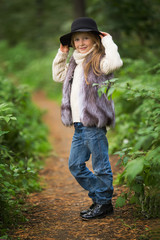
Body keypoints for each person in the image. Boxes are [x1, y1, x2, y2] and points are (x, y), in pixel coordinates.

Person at [52, 17, 123, 220]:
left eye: (86, 38)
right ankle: (101, 197)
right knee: (75, 165)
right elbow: (58, 76)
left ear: (95, 40)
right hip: (78, 125)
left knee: (100, 166)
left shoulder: (99, 60)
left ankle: (103, 202)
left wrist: (108, 41)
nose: (81, 43)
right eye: (76, 39)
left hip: (93, 122)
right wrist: (62, 53)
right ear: (72, 43)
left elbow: (115, 62)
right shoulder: (74, 62)